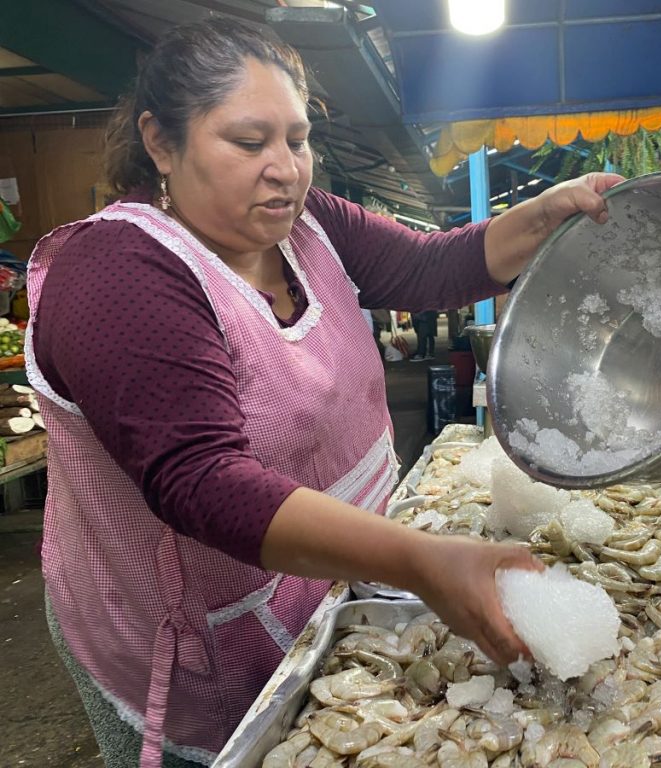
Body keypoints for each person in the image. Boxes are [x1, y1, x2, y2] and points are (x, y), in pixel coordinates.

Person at [26, 17, 623, 768]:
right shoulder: (117, 271)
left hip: (319, 588)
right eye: (249, 143)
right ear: (160, 141)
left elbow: (430, 269)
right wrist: (422, 560)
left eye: (297, 140)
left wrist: (545, 214)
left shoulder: (304, 224)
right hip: (175, 634)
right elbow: (200, 479)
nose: (286, 169)